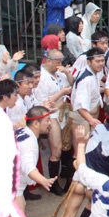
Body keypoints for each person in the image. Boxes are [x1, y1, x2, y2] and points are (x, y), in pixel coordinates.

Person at [33, 48, 74, 195]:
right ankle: (53, 183)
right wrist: (61, 92)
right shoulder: (42, 77)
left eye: (61, 61)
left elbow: (71, 83)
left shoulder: (59, 73)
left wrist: (67, 73)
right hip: (51, 114)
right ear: (49, 61)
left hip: (63, 112)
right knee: (56, 149)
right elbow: (43, 102)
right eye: (57, 61)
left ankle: (64, 175)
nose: (60, 64)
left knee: (67, 145)